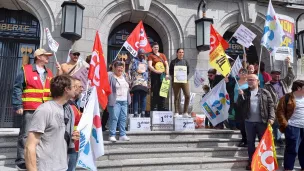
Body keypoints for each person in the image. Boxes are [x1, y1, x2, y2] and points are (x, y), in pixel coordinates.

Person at [24, 75, 80, 171]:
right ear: (66, 89)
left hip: (62, 166)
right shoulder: (45, 110)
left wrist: (72, 137)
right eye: (74, 86)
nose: (76, 89)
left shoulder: (68, 109)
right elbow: (30, 146)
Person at [11, 48, 54, 170]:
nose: (48, 58)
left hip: (45, 109)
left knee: (42, 135)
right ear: (38, 57)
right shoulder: (26, 70)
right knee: (25, 135)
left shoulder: (50, 73)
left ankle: (36, 158)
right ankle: (21, 161)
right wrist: (18, 105)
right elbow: (17, 88)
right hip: (30, 109)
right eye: (45, 56)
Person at [237, 74, 275, 170]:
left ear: (258, 81)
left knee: (263, 143)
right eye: (248, 80)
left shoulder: (265, 93)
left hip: (262, 122)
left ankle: (263, 162)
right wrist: (240, 96)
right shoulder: (244, 92)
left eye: (252, 80)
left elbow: (271, 106)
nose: (249, 81)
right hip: (249, 122)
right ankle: (252, 162)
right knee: (250, 143)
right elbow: (239, 106)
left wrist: (271, 118)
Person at [265, 56, 295, 146]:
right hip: (274, 108)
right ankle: (278, 140)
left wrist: (288, 64)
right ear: (271, 75)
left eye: (279, 74)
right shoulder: (267, 86)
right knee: (276, 125)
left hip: (285, 106)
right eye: (275, 74)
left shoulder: (283, 82)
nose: (277, 75)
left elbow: (291, 76)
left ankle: (287, 139)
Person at [276, 80, 304, 171]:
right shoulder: (287, 98)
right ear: (299, 88)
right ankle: (288, 168)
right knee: (292, 149)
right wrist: (286, 125)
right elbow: (279, 112)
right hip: (292, 127)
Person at [107, 61, 131, 142]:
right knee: (114, 118)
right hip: (115, 101)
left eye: (122, 67)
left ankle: (122, 135)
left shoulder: (125, 76)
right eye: (118, 67)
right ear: (114, 68)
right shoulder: (110, 76)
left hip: (124, 101)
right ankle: (112, 135)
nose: (120, 68)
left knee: (123, 118)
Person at [67, 78, 84, 171]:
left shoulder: (74, 103)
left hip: (75, 141)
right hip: (70, 142)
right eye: (79, 87)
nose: (82, 89)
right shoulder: (67, 105)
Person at [148, 42, 170, 111]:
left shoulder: (162, 55)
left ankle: (162, 106)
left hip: (163, 75)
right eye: (155, 47)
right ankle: (154, 106)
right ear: (152, 48)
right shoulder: (151, 56)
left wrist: (167, 74)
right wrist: (156, 71)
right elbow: (150, 66)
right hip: (155, 75)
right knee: (155, 90)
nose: (156, 49)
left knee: (163, 90)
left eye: (157, 47)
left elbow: (166, 65)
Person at [169, 48, 191, 118]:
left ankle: (185, 112)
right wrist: (176, 75)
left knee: (187, 95)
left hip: (184, 81)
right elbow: (170, 72)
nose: (181, 53)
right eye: (180, 52)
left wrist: (182, 75)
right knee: (176, 97)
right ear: (177, 53)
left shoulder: (185, 61)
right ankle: (176, 112)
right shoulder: (173, 62)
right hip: (176, 81)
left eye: (182, 52)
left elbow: (188, 71)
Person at [129, 49, 149, 117]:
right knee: (135, 98)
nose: (142, 55)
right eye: (141, 53)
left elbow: (147, 72)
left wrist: (148, 82)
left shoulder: (145, 61)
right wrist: (130, 81)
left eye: (143, 54)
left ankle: (143, 113)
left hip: (144, 82)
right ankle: (135, 113)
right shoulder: (133, 60)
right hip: (136, 81)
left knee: (143, 98)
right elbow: (129, 70)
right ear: (138, 54)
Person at [234, 68, 249, 147]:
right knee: (239, 123)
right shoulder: (236, 82)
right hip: (237, 104)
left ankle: (246, 139)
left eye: (244, 72)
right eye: (241, 72)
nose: (243, 74)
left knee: (244, 123)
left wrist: (244, 93)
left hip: (245, 105)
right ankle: (243, 138)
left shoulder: (248, 83)